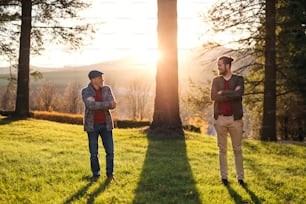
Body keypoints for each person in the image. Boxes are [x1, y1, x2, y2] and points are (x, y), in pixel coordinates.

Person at [210, 56, 245, 186]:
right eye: (218, 65)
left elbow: (239, 94)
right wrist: (230, 93)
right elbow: (213, 96)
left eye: (220, 65)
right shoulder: (216, 80)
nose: (218, 67)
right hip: (220, 119)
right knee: (222, 150)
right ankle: (224, 178)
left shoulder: (238, 79)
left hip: (235, 120)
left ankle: (240, 178)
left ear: (228, 66)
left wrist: (222, 93)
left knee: (237, 149)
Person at [81, 70, 117, 182]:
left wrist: (98, 104)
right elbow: (91, 105)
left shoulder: (107, 89)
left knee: (110, 151)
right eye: (100, 78)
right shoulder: (85, 91)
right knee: (93, 153)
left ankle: (110, 174)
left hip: (106, 125)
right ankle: (96, 174)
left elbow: (113, 104)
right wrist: (106, 104)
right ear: (93, 79)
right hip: (92, 126)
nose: (102, 80)